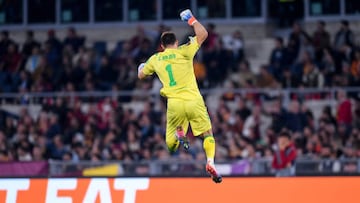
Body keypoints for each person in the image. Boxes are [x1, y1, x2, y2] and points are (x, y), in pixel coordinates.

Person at [137, 9, 222, 183]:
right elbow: (203, 34)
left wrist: (141, 66)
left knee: (171, 146)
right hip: (194, 100)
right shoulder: (184, 51)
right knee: (207, 134)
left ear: (162, 46)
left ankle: (178, 134)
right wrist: (191, 19)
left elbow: (141, 75)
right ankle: (210, 161)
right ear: (176, 43)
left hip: (174, 104)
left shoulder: (156, 59)